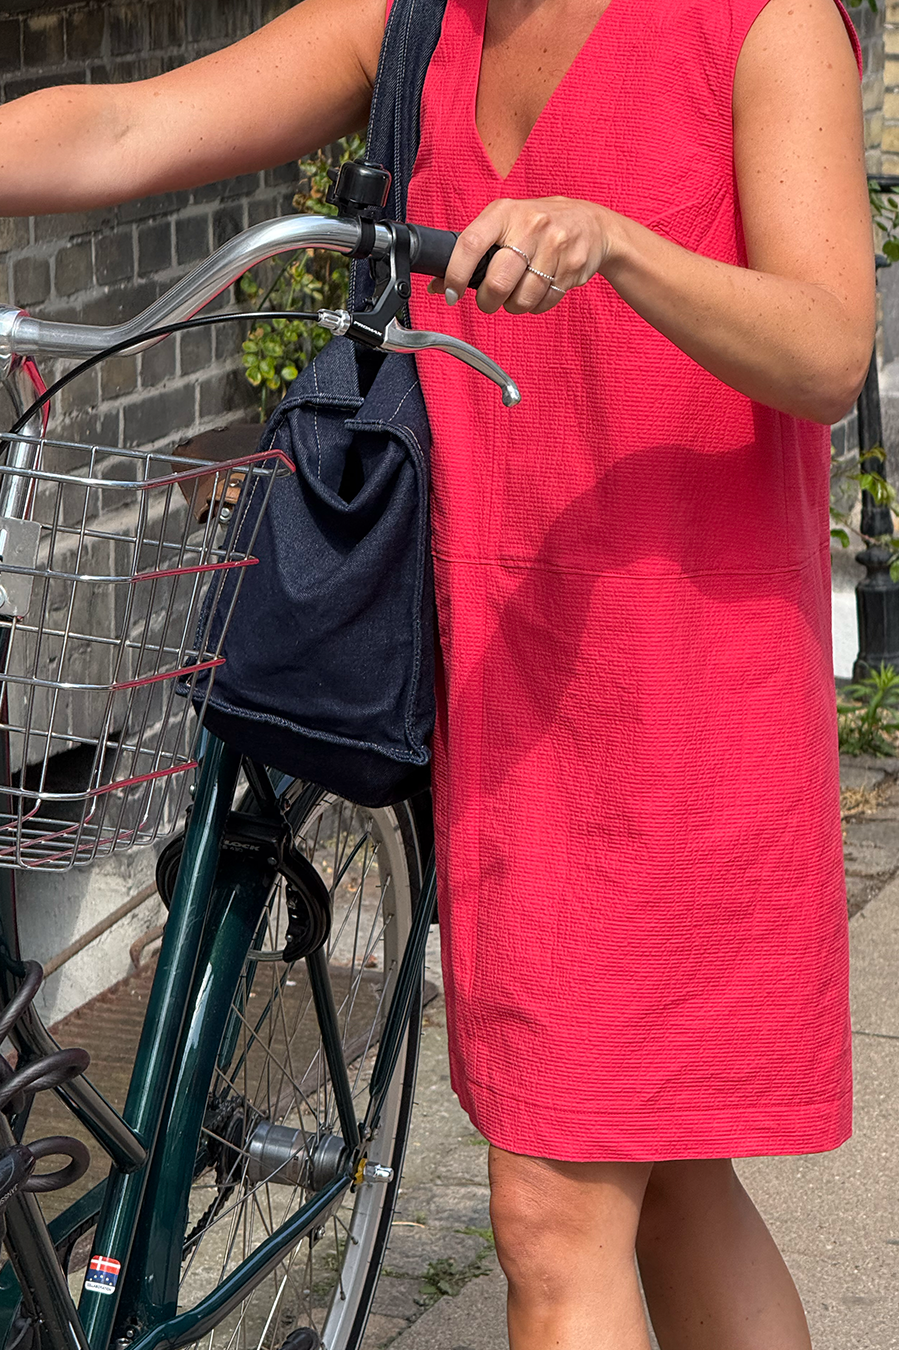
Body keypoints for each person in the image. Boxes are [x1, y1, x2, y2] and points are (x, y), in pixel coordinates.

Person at [0, 1, 875, 1348]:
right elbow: (126, 123)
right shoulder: (417, 22)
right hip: (505, 680)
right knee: (670, 1178)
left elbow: (825, 348)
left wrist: (619, 242)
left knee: (547, 1210)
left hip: (682, 701)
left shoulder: (753, 23)